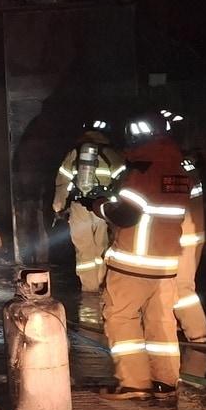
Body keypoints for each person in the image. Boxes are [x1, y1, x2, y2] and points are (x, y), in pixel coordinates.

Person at [84, 113, 190, 401]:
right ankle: (166, 382)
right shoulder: (179, 170)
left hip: (134, 263)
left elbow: (126, 214)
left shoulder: (142, 170)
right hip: (166, 264)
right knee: (162, 322)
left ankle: (133, 383)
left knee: (121, 318)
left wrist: (99, 205)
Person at [51, 119, 124, 295]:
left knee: (84, 250)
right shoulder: (112, 154)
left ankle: (88, 290)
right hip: (102, 207)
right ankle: (101, 285)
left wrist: (58, 207)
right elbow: (122, 180)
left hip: (79, 206)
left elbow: (62, 182)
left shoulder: (75, 153)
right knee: (101, 246)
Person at [174, 152, 206, 343]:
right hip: (194, 233)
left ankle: (197, 334)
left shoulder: (170, 167)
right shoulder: (187, 164)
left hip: (180, 237)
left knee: (181, 286)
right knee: (184, 283)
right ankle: (180, 324)